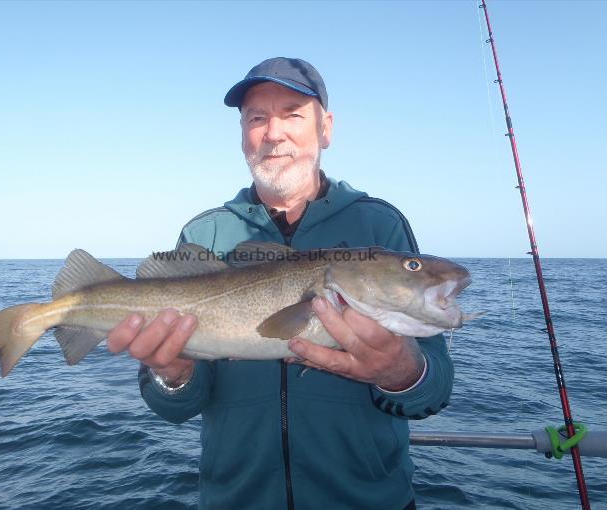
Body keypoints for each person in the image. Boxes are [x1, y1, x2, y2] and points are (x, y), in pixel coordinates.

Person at [107, 57, 454, 510]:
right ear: (243, 135)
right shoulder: (203, 235)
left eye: (292, 113)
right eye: (257, 118)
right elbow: (176, 408)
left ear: (325, 128)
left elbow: (433, 390)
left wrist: (400, 370)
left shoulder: (380, 227)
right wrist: (171, 375)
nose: (273, 133)